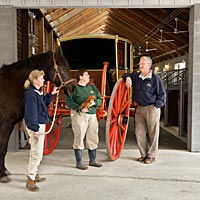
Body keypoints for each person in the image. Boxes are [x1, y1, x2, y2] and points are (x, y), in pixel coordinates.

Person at [122, 56, 166, 164]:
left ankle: (151, 155)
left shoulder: (155, 78)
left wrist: (156, 106)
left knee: (153, 133)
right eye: (140, 63)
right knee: (139, 132)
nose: (140, 65)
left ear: (149, 65)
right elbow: (125, 74)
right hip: (140, 108)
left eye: (143, 64)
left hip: (152, 108)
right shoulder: (136, 76)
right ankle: (143, 154)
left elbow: (162, 94)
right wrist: (127, 77)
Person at [23, 69, 58, 192]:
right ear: (35, 80)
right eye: (41, 78)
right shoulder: (31, 94)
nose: (44, 80)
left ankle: (34, 173)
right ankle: (30, 179)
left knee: (37, 151)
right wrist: (35, 128)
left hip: (39, 124)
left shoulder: (37, 92)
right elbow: (31, 113)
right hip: (36, 126)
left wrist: (51, 94)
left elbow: (43, 104)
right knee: (36, 153)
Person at [66, 68, 103, 170]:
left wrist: (95, 103)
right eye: (86, 74)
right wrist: (79, 108)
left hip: (92, 115)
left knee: (93, 136)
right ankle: (79, 162)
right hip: (80, 115)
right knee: (79, 136)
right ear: (80, 77)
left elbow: (99, 98)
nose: (88, 76)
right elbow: (69, 102)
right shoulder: (75, 89)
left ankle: (93, 160)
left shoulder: (92, 87)